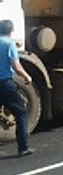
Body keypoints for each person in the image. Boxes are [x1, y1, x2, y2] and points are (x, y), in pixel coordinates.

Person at [0, 19, 33, 156]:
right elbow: (16, 67)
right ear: (11, 31)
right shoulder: (9, 44)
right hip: (5, 84)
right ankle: (23, 148)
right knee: (22, 113)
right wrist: (27, 76)